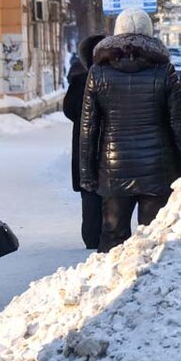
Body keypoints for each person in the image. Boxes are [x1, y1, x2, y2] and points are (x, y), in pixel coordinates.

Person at [79, 8, 181, 252]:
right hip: (157, 169)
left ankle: (111, 287)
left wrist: (87, 174)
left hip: (113, 169)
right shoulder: (164, 70)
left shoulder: (98, 72)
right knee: (154, 240)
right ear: (150, 34)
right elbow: (179, 124)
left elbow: (89, 128)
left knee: (113, 238)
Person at [63, 34, 104, 249]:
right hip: (110, 145)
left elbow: (68, 110)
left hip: (84, 146)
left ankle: (91, 236)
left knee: (89, 193)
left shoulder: (79, 81)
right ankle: (109, 233)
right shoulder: (111, 77)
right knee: (109, 193)